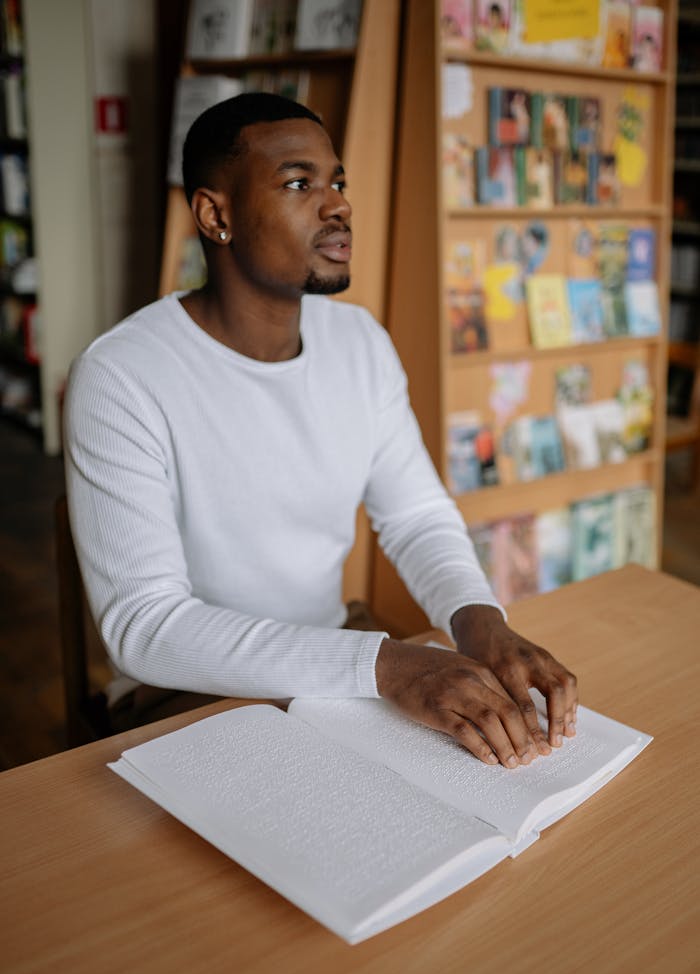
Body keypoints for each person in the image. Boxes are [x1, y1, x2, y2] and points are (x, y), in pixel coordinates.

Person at [64, 92, 578, 768]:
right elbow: (146, 628)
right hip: (185, 694)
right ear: (215, 215)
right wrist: (389, 666)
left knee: (498, 774)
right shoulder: (121, 375)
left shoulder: (360, 342)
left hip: (337, 651)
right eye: (299, 183)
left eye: (337, 180)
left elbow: (418, 517)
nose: (338, 205)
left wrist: (479, 618)